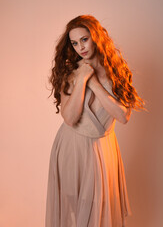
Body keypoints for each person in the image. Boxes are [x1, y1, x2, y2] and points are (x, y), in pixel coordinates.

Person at [45, 15, 145, 227]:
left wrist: (95, 85)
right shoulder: (70, 73)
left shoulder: (117, 72)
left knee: (98, 211)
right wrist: (82, 78)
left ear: (96, 37)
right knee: (73, 209)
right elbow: (70, 118)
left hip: (101, 149)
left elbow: (123, 116)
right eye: (74, 43)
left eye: (84, 39)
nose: (80, 47)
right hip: (72, 147)